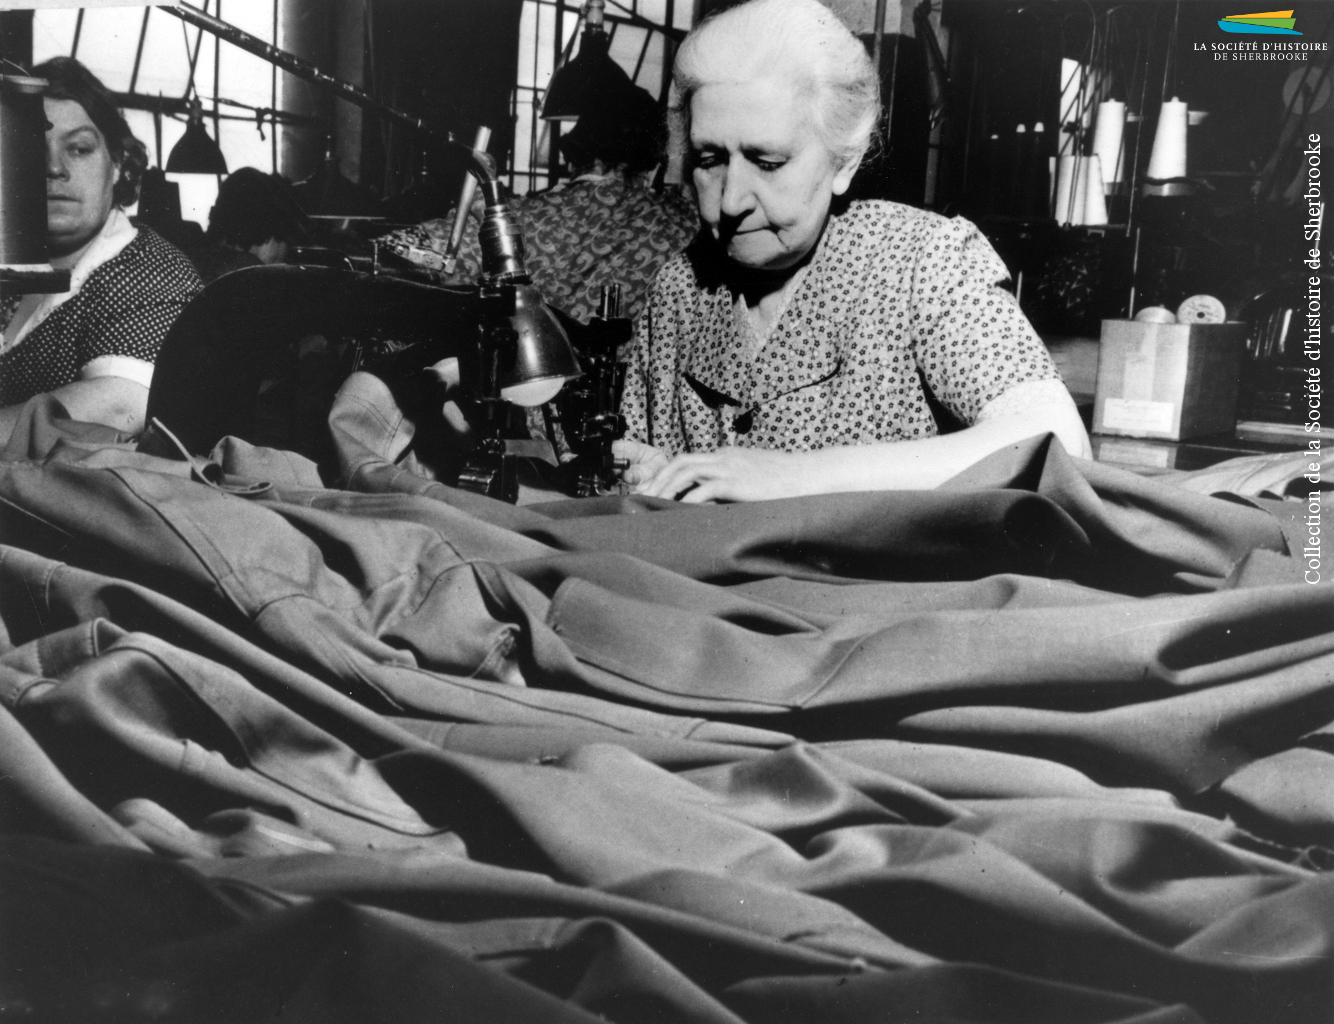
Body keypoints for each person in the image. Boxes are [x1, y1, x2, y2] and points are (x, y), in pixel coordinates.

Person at [614, 0, 1090, 503]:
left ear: (844, 161)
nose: (731, 200)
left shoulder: (922, 261)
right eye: (709, 160)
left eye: (768, 161)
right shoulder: (679, 289)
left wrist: (790, 477)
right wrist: (658, 477)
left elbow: (1058, 441)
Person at [379, 79, 698, 324]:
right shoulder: (679, 224)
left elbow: (402, 249)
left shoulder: (528, 217)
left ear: (579, 151)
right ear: (651, 158)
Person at [0, 57, 201, 444]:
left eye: (78, 149)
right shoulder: (15, 268)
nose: (53, 168)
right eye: (27, 148)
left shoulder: (152, 273)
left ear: (118, 165)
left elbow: (118, 406)